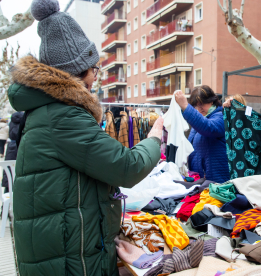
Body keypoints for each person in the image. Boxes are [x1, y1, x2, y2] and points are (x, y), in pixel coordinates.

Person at [9, 1, 162, 275]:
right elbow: (127, 167)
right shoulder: (63, 116)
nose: (96, 78)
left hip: (59, 247)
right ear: (80, 70)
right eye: (95, 69)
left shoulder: (49, 110)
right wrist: (154, 138)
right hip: (66, 258)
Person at [174, 86, 230, 183]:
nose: (199, 108)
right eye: (195, 105)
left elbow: (208, 128)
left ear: (211, 101)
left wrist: (185, 107)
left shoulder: (221, 116)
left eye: (202, 104)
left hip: (217, 182)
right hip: (201, 180)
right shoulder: (200, 119)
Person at [1, 112, 23, 193]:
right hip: (21, 145)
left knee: (8, 173)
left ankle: (6, 198)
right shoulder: (25, 122)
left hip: (11, 147)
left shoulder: (12, 122)